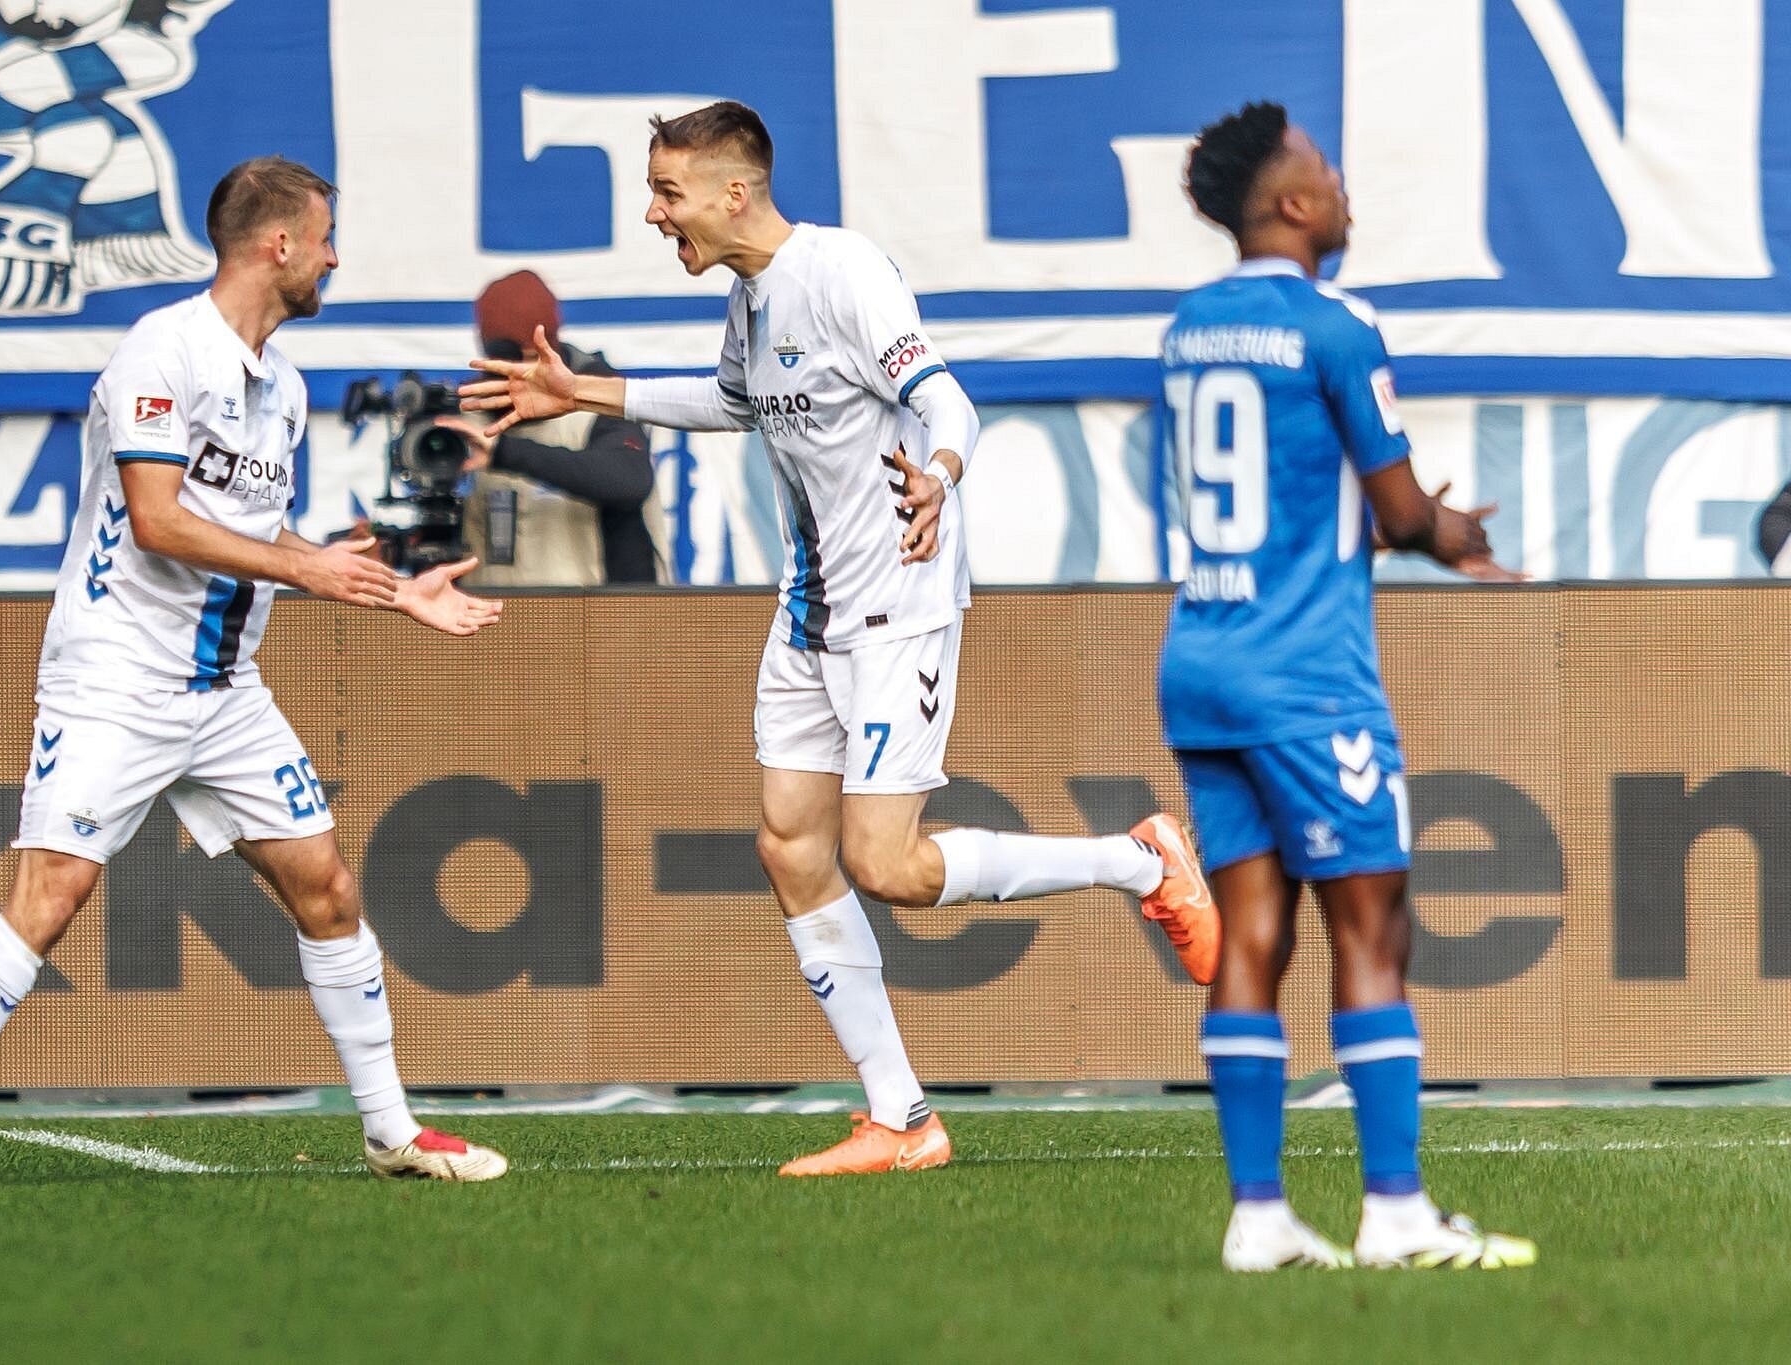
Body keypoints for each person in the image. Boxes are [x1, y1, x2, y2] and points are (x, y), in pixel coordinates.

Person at [461, 101, 1220, 1177]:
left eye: (666, 193)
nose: (651, 213)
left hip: (895, 607)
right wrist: (578, 387)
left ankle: (1134, 861)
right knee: (788, 845)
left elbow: (945, 399)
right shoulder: (749, 297)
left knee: (887, 866)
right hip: (808, 613)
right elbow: (733, 402)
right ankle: (901, 1119)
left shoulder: (843, 272)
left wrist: (939, 477)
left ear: (734, 192)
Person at [0, 156, 508, 1193]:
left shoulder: (286, 388)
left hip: (224, 692)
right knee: (52, 895)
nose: (335, 256)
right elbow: (163, 522)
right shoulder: (161, 351)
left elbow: (260, 534)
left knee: (328, 886)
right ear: (279, 245)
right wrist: (307, 565)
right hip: (116, 677)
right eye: (326, 237)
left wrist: (394, 590)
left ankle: (390, 1129)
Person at [1160, 102, 1535, 1270]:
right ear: (1290, 203)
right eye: (1322, 169)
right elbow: (1394, 507)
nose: (1339, 186)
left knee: (1251, 938)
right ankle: (1394, 1214)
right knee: (1372, 929)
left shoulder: (1184, 330)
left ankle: (1258, 1219)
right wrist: (1450, 531)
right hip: (1306, 677)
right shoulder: (1335, 326)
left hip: (1201, 661)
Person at [433, 270, 666, 586]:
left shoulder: (601, 397)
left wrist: (505, 452)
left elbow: (629, 478)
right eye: (510, 357)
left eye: (532, 355)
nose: (524, 370)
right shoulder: (470, 412)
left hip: (602, 623)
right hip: (492, 623)